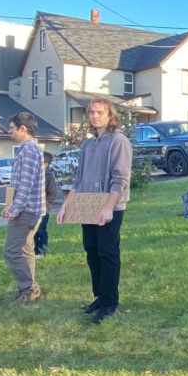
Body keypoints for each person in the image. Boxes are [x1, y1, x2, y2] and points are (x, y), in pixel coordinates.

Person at [57, 98, 132, 325]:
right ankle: (99, 297)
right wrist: (66, 206)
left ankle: (110, 303)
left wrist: (109, 208)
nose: (95, 116)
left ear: (110, 115)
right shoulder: (88, 145)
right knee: (92, 251)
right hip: (87, 205)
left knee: (108, 253)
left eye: (100, 112)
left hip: (110, 206)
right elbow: (78, 179)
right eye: (91, 112)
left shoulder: (119, 142)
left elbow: (121, 179)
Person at [1, 112, 46, 304]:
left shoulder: (28, 150)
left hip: (27, 211)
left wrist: (14, 209)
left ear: (22, 129)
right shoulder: (28, 149)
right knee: (26, 250)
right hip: (29, 209)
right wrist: (10, 205)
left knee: (11, 251)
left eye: (11, 128)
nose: (9, 131)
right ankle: (28, 291)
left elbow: (26, 185)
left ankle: (29, 289)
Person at [33, 151, 60, 257]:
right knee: (33, 230)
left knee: (41, 230)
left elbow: (52, 194)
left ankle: (42, 250)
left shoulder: (49, 177)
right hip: (33, 208)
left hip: (44, 209)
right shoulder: (35, 174)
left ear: (45, 164)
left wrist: (46, 204)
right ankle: (34, 250)